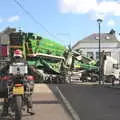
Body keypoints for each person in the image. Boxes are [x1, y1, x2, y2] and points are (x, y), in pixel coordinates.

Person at [1, 49, 35, 115]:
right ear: (21, 55)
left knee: (7, 94)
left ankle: (5, 110)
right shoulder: (25, 62)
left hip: (13, 80)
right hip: (23, 80)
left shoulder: (11, 61)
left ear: (14, 55)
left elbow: (3, 70)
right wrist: (31, 75)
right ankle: (30, 108)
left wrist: (3, 75)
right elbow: (31, 70)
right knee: (27, 93)